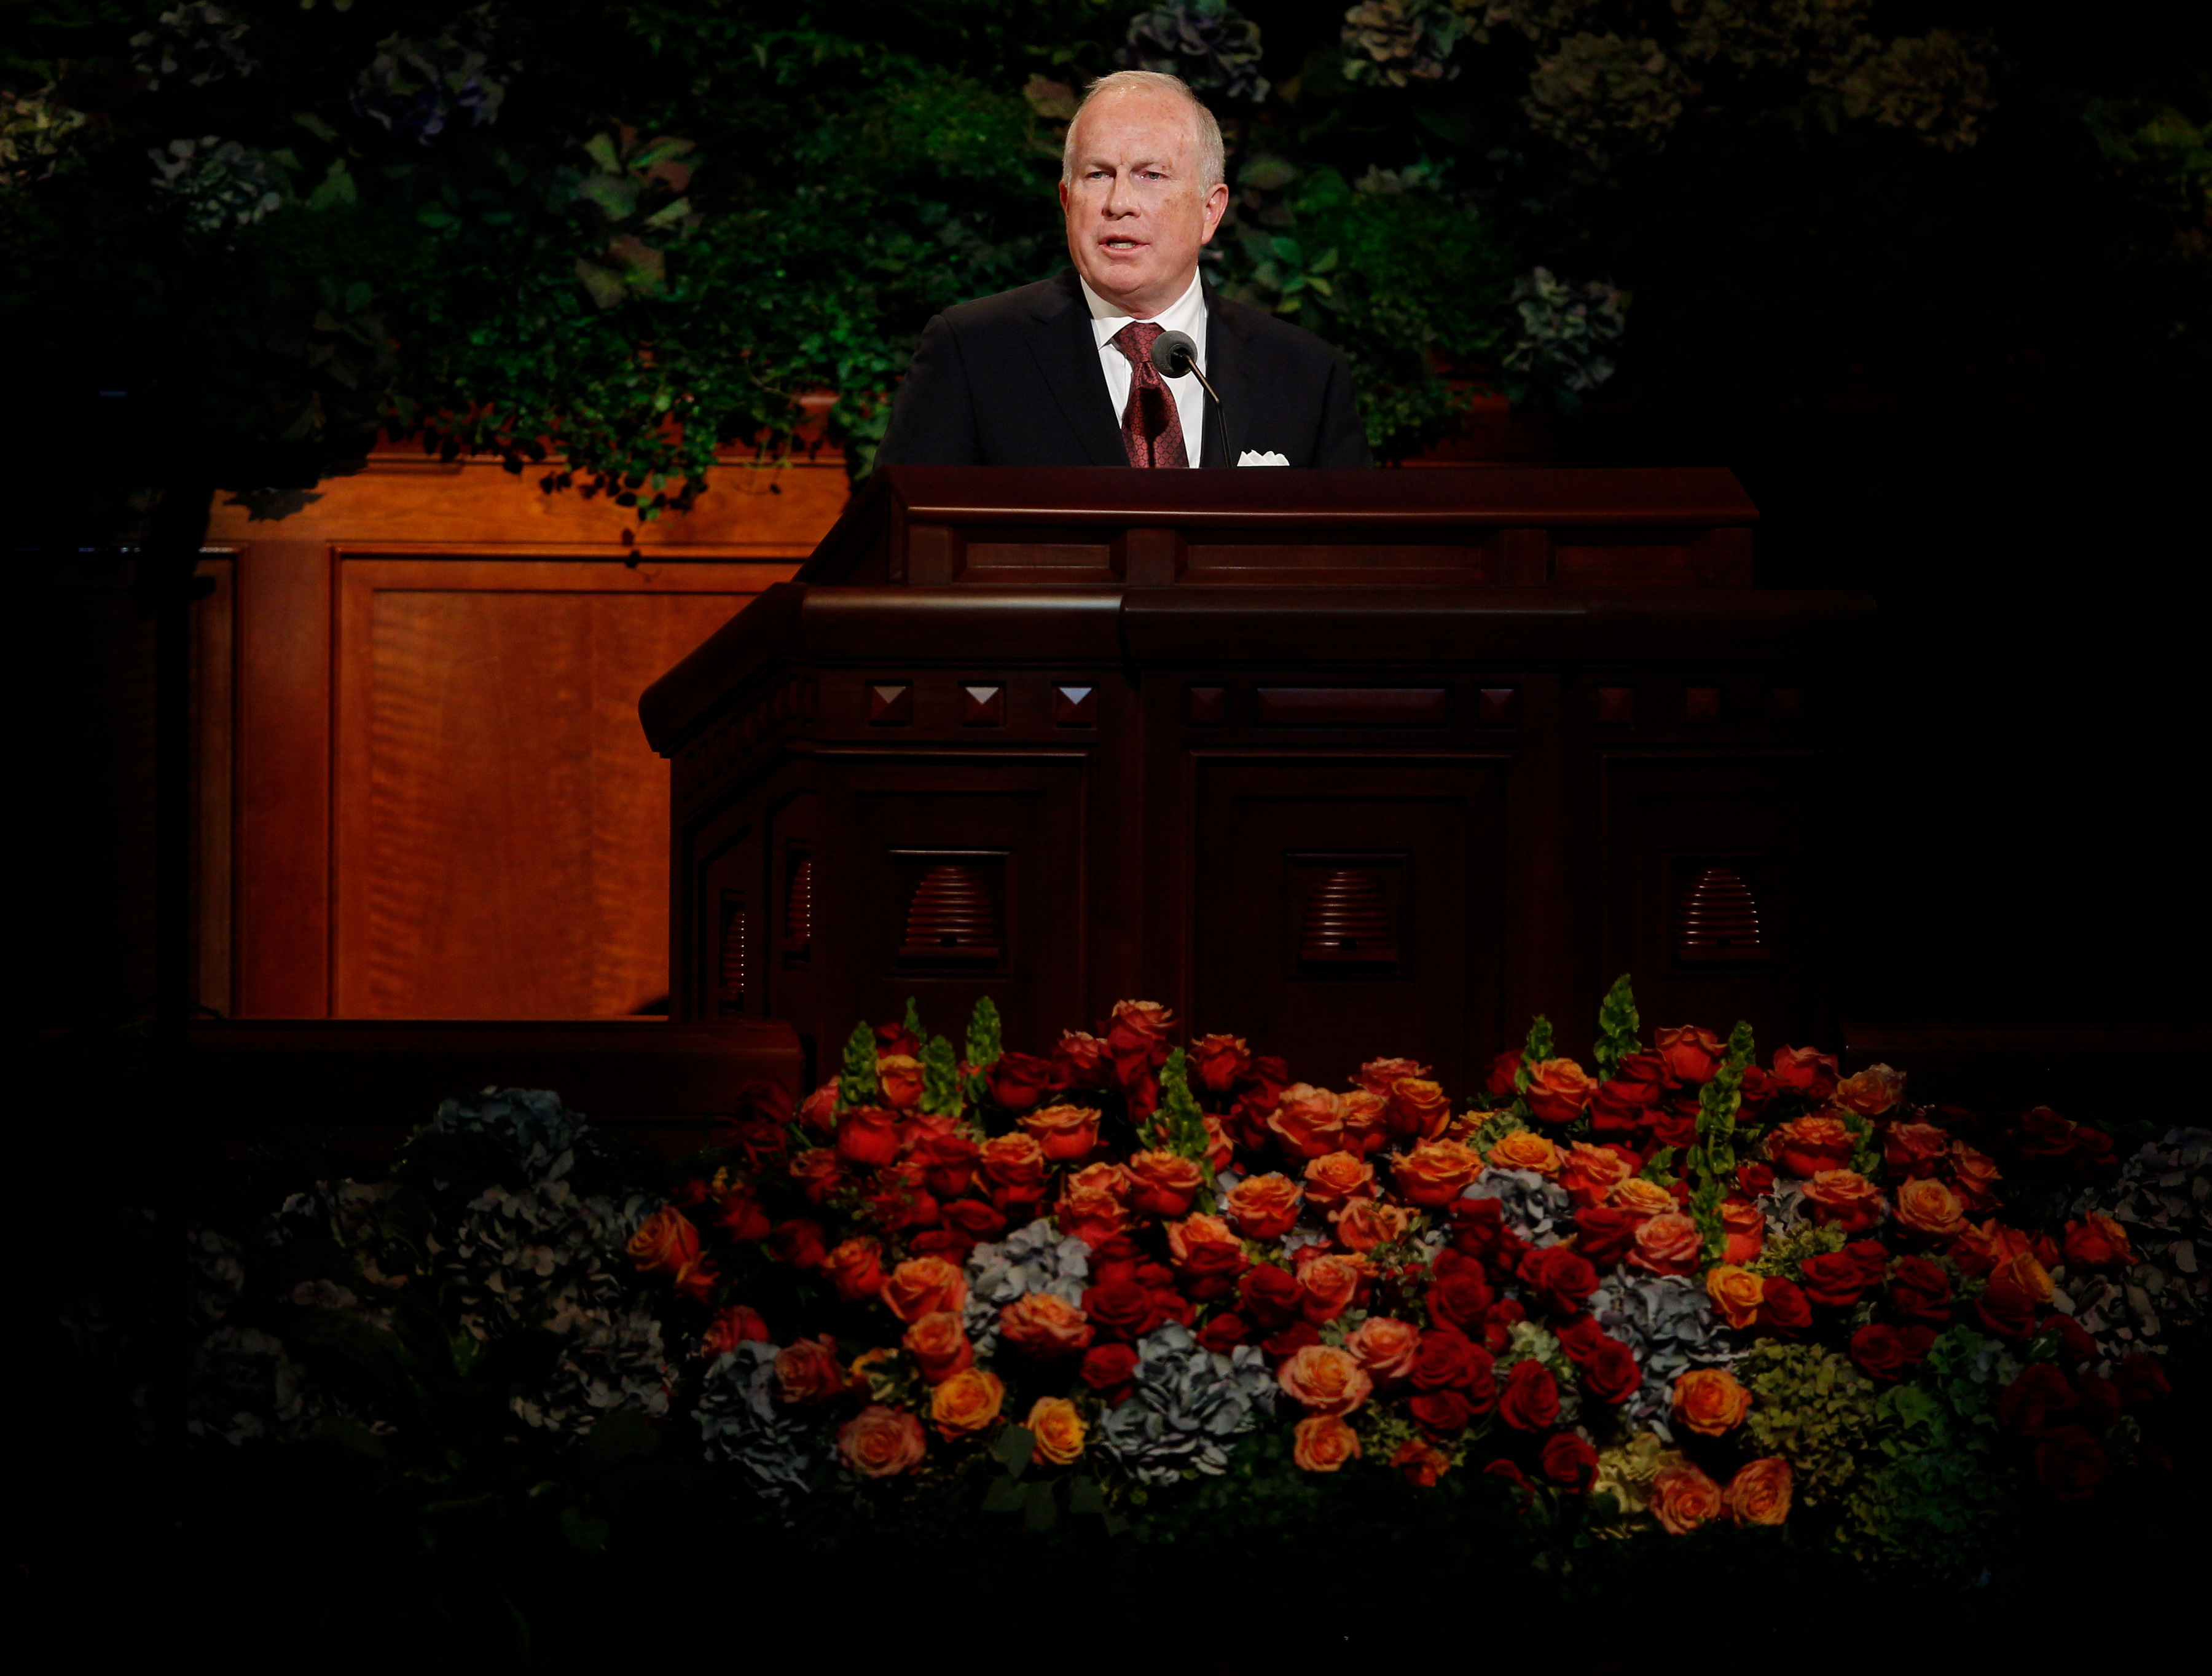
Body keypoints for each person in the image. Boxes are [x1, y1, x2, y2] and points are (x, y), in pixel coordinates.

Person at [873, 69, 1371, 470]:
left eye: (1151, 175)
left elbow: (1349, 556)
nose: (1119, 203)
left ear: (1210, 210)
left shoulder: (1305, 375)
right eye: (1098, 175)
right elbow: (901, 540)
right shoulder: (972, 352)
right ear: (1067, 201)